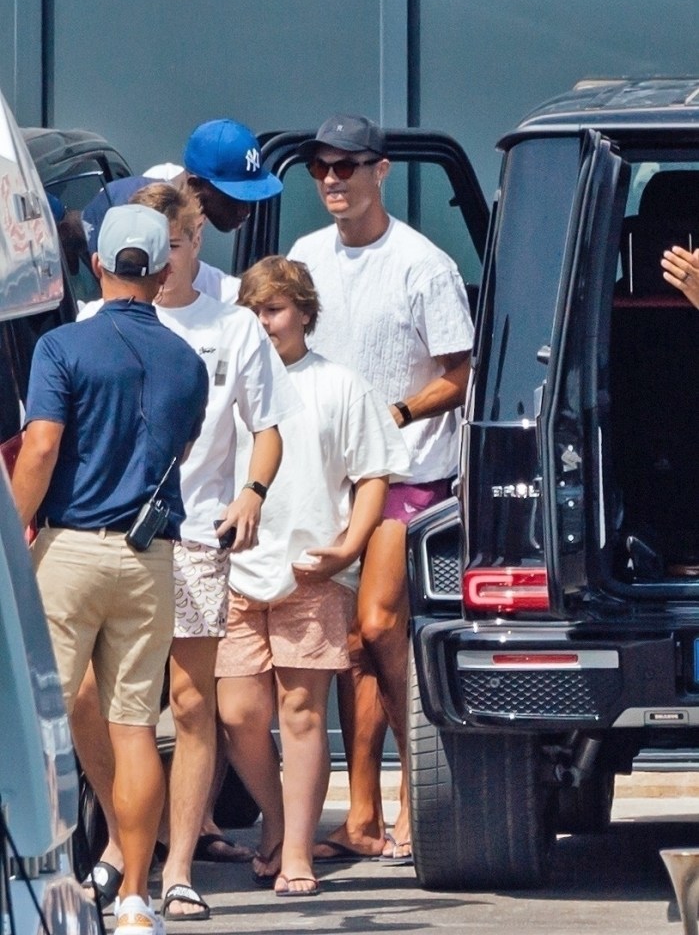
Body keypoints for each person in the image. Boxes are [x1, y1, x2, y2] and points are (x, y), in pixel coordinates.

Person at [72, 183, 299, 922]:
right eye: (148, 246)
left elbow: (268, 426)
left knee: (192, 700)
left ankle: (176, 868)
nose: (159, 262)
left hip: (196, 533)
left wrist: (252, 494)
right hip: (107, 537)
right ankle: (121, 837)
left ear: (197, 242)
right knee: (93, 703)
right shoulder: (88, 321)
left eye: (173, 245)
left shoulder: (233, 328)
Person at [11, 204, 209, 935]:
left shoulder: (62, 345)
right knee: (133, 728)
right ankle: (133, 898)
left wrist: (8, 535)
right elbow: (175, 454)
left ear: (95, 262)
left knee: (38, 727)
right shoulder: (189, 362)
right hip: (148, 556)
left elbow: (40, 451)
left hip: (68, 548)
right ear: (161, 272)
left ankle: (44, 881)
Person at [287, 113, 475, 863]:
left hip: (408, 475)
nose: (333, 179)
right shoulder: (303, 255)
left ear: (382, 170)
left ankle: (415, 796)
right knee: (348, 650)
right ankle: (359, 815)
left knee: (377, 628)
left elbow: (457, 377)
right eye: (321, 167)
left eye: (348, 165)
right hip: (324, 483)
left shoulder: (422, 265)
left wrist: (389, 413)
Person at [215, 255, 409, 895]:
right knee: (238, 711)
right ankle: (277, 820)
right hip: (231, 570)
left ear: (303, 312)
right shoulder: (225, 382)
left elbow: (373, 473)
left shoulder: (339, 385)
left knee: (302, 713)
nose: (263, 323)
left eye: (273, 310)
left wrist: (348, 550)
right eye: (253, 311)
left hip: (312, 572)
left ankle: (295, 850)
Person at [82, 118, 282, 305]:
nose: (246, 210)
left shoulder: (229, 300)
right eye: (235, 197)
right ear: (195, 186)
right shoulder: (123, 205)